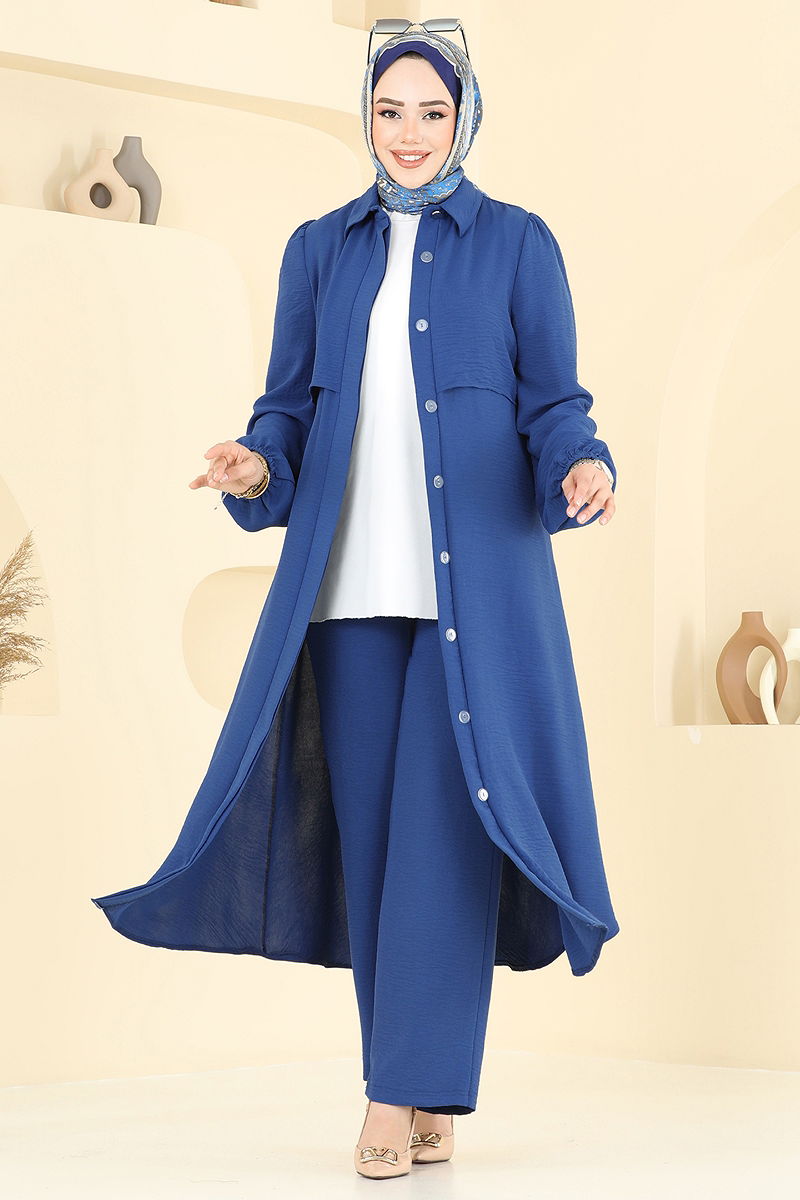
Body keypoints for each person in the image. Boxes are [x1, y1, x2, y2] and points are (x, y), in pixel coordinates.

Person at [92, 23, 619, 1182]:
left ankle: (391, 1096)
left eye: (431, 111)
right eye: (389, 111)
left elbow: (554, 406)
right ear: (366, 118)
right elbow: (284, 412)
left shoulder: (517, 245)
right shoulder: (317, 250)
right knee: (378, 849)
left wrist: (582, 466)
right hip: (344, 596)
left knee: (443, 841)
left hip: (470, 601)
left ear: (462, 118)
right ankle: (423, 1089)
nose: (409, 133)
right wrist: (253, 466)